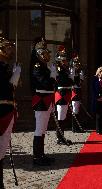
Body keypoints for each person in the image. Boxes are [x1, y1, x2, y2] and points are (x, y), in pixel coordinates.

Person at [30, 37, 56, 166]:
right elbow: (43, 84)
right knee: (39, 130)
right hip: (41, 101)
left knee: (43, 130)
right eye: (45, 52)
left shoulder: (43, 66)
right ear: (40, 54)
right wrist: (52, 77)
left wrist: (52, 77)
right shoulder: (37, 66)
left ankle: (41, 155)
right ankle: (36, 157)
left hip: (46, 100)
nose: (47, 55)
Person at [0, 34, 21, 188]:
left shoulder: (5, 66)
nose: (9, 50)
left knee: (1, 152)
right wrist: (13, 78)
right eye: (6, 47)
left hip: (7, 110)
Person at [54, 45, 73, 145]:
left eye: (66, 60)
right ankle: (59, 138)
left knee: (63, 118)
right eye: (64, 60)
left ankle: (61, 136)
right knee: (60, 118)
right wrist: (70, 79)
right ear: (60, 61)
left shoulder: (65, 70)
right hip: (61, 94)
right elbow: (63, 81)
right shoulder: (58, 70)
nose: (66, 62)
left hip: (65, 94)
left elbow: (70, 81)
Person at [69, 51, 85, 133]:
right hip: (74, 89)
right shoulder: (71, 69)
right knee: (75, 109)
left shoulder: (80, 70)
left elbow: (81, 79)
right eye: (75, 62)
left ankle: (77, 126)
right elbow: (71, 79)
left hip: (78, 89)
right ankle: (74, 127)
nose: (77, 64)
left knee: (78, 109)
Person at [91, 66, 102, 135]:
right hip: (96, 100)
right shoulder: (94, 80)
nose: (101, 73)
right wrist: (97, 98)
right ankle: (98, 130)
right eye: (100, 71)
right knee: (98, 115)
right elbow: (92, 90)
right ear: (98, 72)